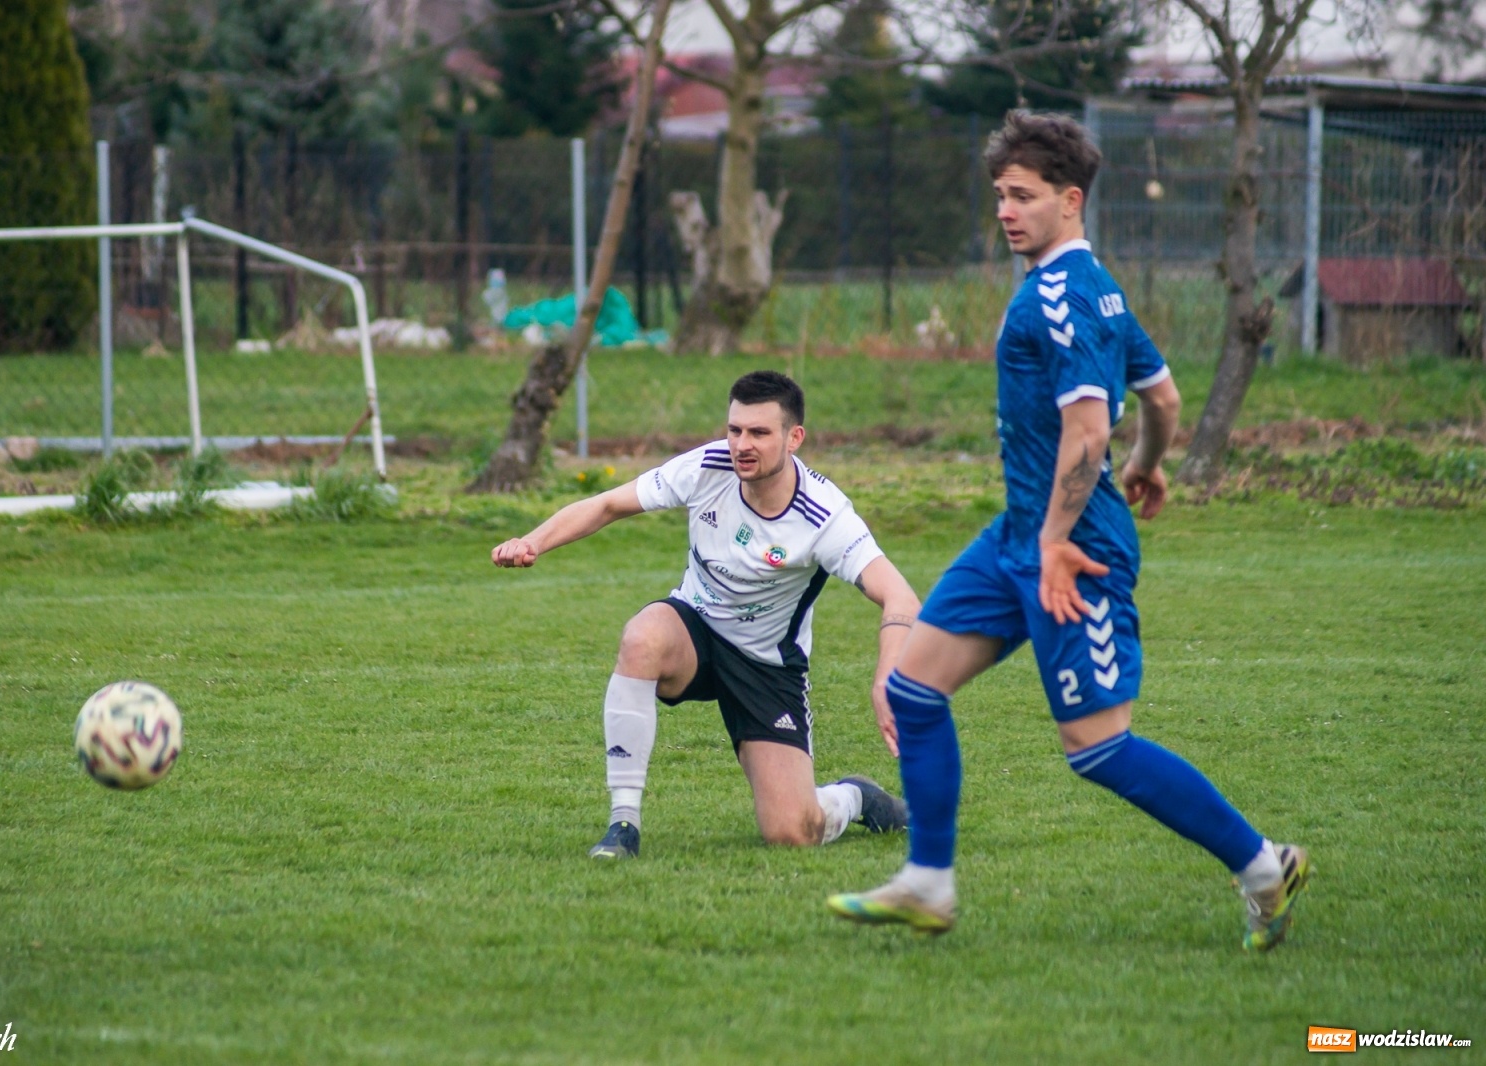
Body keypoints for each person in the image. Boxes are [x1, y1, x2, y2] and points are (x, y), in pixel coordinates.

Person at [826, 112, 1309, 951]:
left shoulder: (1060, 295)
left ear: (1071, 199)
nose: (1006, 211)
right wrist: (1150, 463)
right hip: (1021, 534)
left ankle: (1266, 866)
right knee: (914, 688)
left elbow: (1088, 434)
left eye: (1024, 196)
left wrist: (1059, 533)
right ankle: (928, 885)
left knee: (1097, 748)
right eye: (1000, 196)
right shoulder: (1098, 286)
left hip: (1072, 546)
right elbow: (1159, 399)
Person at [492, 370, 920, 858]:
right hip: (694, 631)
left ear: (794, 438)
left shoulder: (824, 515)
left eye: (759, 432)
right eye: (735, 429)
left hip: (766, 665)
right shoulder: (707, 466)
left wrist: (886, 675)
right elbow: (609, 503)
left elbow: (901, 597)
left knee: (792, 831)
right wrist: (533, 542)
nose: (742, 444)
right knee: (642, 638)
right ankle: (623, 826)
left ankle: (855, 796)